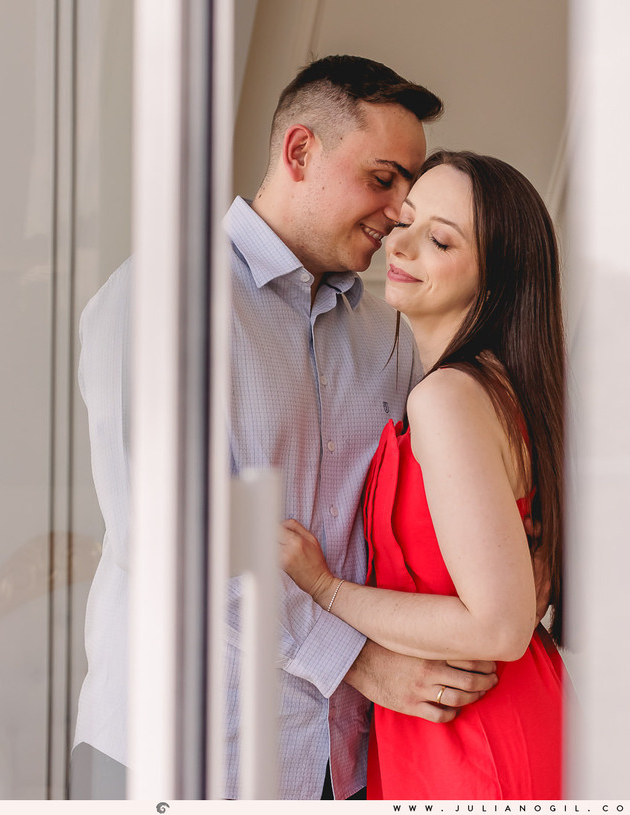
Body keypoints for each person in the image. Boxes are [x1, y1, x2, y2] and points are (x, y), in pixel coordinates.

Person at [72, 56, 501, 801]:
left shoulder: (389, 335)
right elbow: (174, 536)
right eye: (383, 178)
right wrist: (359, 661)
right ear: (300, 151)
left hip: (345, 762)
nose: (401, 209)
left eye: (410, 184)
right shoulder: (162, 300)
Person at [280, 150, 567, 799]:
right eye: (404, 222)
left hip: (476, 736)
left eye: (439, 239)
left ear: (497, 279)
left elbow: (501, 623)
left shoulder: (449, 400)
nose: (400, 245)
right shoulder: (499, 388)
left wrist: (325, 589)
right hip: (464, 724)